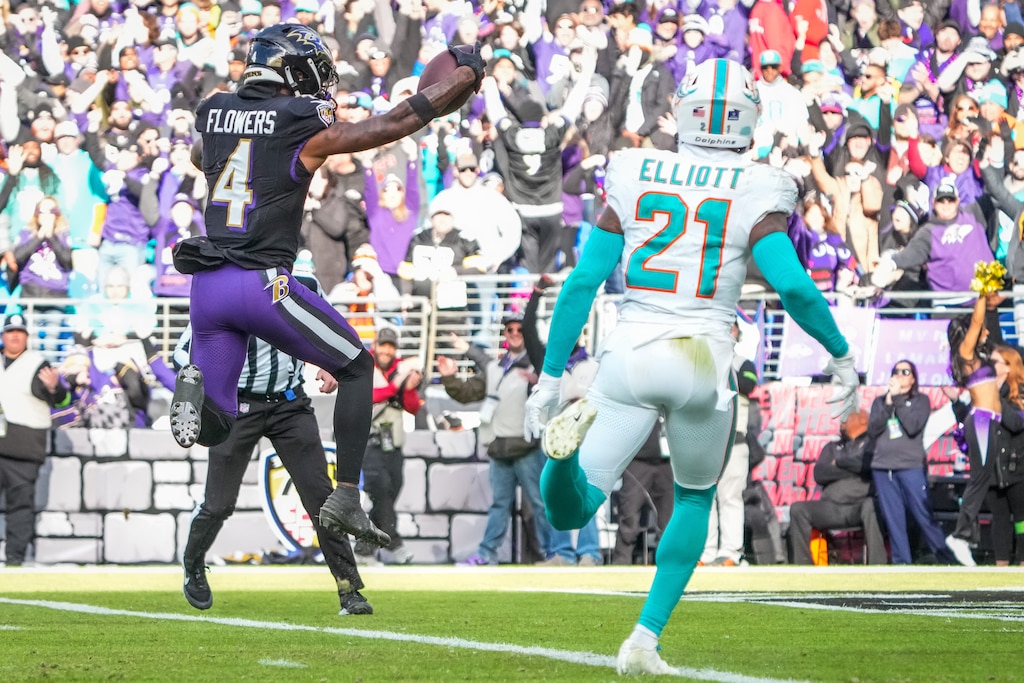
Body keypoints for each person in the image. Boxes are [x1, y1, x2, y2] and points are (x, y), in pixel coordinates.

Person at [523, 58, 859, 675]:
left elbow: (581, 284)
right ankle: (644, 640)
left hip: (630, 352)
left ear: (683, 111)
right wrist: (841, 355)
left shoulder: (631, 168)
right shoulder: (759, 184)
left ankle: (563, 459)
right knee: (695, 499)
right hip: (705, 359)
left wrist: (548, 378)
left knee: (568, 510)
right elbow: (796, 289)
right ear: (748, 120)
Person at [167, 23, 484, 550]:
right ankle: (347, 496)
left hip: (207, 287)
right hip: (261, 283)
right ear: (292, 68)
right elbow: (396, 122)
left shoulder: (215, 109)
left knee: (219, 425)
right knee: (357, 366)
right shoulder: (298, 119)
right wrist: (466, 75)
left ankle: (197, 390)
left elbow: (204, 157)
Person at [173, 271, 373, 616]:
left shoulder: (306, 284)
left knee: (321, 499)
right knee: (218, 504)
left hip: (289, 405)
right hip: (236, 405)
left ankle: (349, 588)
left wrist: (332, 365)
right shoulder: (227, 291)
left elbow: (327, 328)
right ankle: (193, 563)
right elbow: (182, 352)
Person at [439, 316, 573, 566]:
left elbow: (559, 392)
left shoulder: (538, 365)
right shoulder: (495, 368)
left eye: (520, 329)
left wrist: (538, 384)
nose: (514, 333)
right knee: (500, 505)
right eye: (509, 329)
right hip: (500, 446)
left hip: (527, 445)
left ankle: (556, 553)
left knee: (540, 503)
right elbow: (468, 393)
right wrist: (449, 377)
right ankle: (488, 553)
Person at [868, 359, 954, 564]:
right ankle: (901, 563)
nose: (899, 374)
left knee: (923, 515)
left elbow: (913, 426)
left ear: (913, 378)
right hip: (883, 468)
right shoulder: (880, 402)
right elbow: (873, 429)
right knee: (894, 519)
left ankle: (947, 559)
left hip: (910, 466)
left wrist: (897, 399)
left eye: (905, 371)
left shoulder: (921, 401)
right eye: (896, 371)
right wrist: (889, 403)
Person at [0, 312, 69, 566]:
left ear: (26, 336)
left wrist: (55, 388)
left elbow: (62, 400)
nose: (15, 336)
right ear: (3, 335)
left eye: (19, 332)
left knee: (20, 508)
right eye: (10, 332)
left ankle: (15, 559)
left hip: (24, 448)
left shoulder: (38, 364)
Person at [354, 327, 423, 566]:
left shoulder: (401, 370)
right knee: (381, 490)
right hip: (369, 443)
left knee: (389, 494)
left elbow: (412, 407)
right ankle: (395, 543)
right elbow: (367, 395)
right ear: (375, 345)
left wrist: (411, 386)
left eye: (390, 346)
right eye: (383, 345)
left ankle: (363, 550)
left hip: (393, 444)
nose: (386, 350)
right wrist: (398, 385)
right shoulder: (364, 364)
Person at [945, 294, 1006, 566]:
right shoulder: (965, 353)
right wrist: (982, 292)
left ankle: (966, 537)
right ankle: (960, 536)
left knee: (983, 478)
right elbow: (978, 319)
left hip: (989, 421)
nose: (986, 331)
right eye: (981, 329)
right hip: (981, 421)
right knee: (980, 479)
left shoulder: (977, 355)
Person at [788, 410, 886, 565]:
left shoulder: (872, 444)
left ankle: (877, 565)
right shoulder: (832, 447)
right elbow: (820, 473)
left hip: (859, 507)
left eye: (847, 417)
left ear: (862, 421)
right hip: (831, 507)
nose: (842, 421)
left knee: (871, 506)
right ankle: (803, 565)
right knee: (798, 509)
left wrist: (839, 463)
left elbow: (867, 466)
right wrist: (853, 470)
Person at [700, 322, 759, 567]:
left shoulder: (743, 363)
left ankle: (731, 552)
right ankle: (705, 552)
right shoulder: (702, 362)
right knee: (706, 499)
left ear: (736, 332)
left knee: (730, 497)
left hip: (735, 441)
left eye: (729, 327)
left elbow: (748, 384)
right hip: (707, 441)